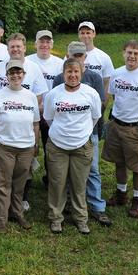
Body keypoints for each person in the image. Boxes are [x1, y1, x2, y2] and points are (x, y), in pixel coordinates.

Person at [52, 42, 111, 226]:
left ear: (85, 57)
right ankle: (68, 205)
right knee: (66, 173)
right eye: (73, 56)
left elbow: (99, 107)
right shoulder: (58, 79)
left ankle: (96, 207)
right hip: (63, 134)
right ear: (67, 56)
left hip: (88, 134)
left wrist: (91, 130)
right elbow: (50, 115)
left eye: (80, 56)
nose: (77, 59)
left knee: (92, 171)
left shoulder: (94, 78)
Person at [0, 32, 48, 210]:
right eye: (12, 47)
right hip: (3, 126)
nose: (15, 49)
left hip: (26, 126)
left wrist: (22, 109)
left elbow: (38, 97)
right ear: (7, 49)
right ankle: (0, 200)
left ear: (24, 48)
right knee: (3, 169)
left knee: (24, 168)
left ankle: (22, 198)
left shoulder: (34, 68)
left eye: (18, 46)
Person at [44, 59, 102, 234]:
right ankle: (56, 218)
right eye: (69, 72)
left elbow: (95, 117)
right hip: (57, 145)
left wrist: (81, 133)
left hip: (82, 146)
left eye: (76, 71)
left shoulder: (91, 94)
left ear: (81, 72)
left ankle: (81, 219)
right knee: (57, 183)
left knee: (79, 184)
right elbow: (49, 118)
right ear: (63, 73)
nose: (73, 75)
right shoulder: (53, 94)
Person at [103, 40, 138, 218]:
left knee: (137, 167)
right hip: (116, 125)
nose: (132, 56)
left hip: (136, 129)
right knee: (119, 162)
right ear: (123, 53)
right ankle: (121, 195)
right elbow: (113, 97)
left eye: (136, 53)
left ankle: (137, 200)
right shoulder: (117, 73)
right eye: (129, 52)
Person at [0, 60, 39, 231]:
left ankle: (17, 213)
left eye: (19, 72)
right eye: (12, 73)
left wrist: (36, 144)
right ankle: (1, 219)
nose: (15, 75)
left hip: (26, 148)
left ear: (23, 74)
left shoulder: (30, 96)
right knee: (3, 184)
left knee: (19, 184)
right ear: (7, 76)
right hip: (4, 147)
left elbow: (36, 123)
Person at [26, 30, 63, 185]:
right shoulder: (28, 61)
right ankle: (26, 178)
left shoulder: (60, 63)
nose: (44, 45)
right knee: (28, 146)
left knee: (52, 147)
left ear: (52, 44)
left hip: (51, 113)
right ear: (35, 44)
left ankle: (51, 178)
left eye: (48, 42)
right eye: (41, 42)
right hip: (29, 111)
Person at [77, 21, 115, 93]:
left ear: (94, 34)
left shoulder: (104, 57)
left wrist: (103, 102)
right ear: (78, 35)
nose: (85, 36)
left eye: (88, 33)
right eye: (82, 33)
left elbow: (107, 81)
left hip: (96, 99)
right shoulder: (72, 56)